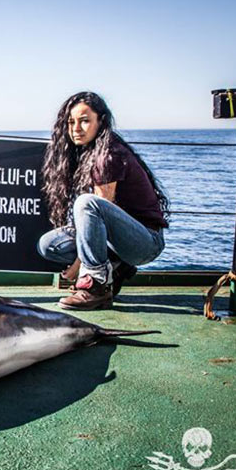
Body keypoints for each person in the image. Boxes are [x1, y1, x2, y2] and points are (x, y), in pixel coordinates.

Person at [37, 92, 169, 310]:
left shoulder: (108, 155)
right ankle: (116, 269)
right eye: (71, 122)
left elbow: (98, 207)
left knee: (87, 203)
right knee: (49, 245)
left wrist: (78, 267)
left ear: (101, 121)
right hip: (117, 241)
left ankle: (96, 286)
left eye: (84, 121)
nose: (76, 128)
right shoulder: (86, 152)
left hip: (145, 242)